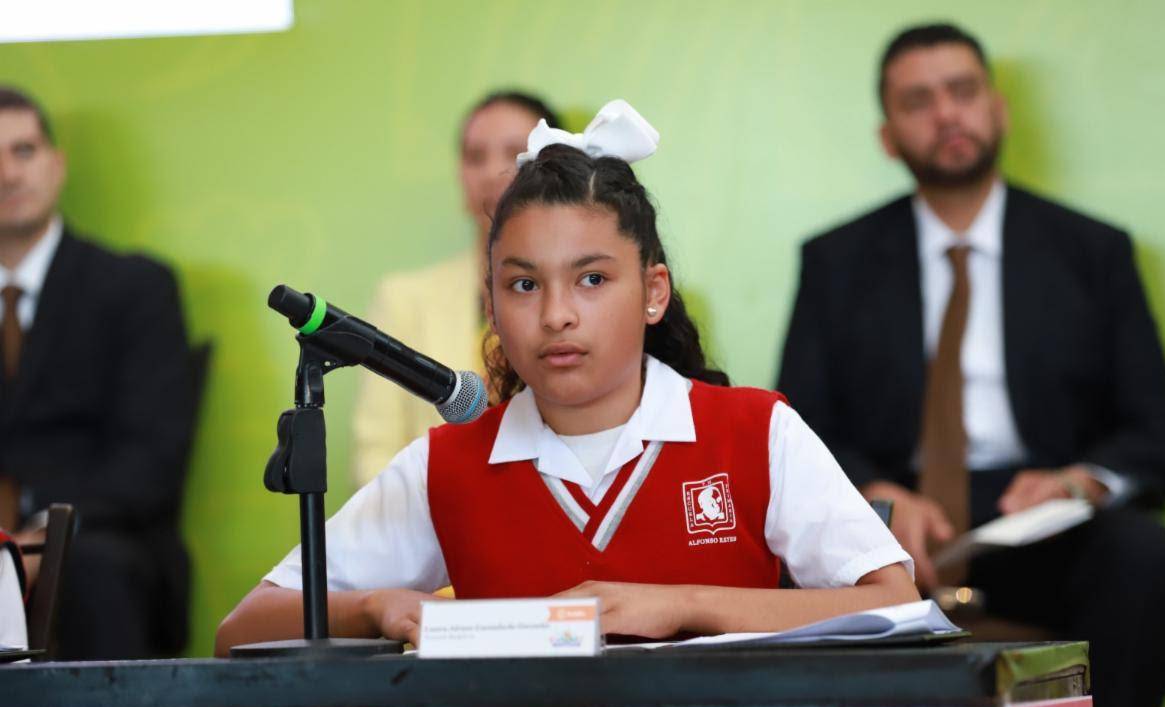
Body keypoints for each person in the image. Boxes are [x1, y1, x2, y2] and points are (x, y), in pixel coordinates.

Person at [216, 100, 917, 655]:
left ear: (654, 292)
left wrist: (681, 605)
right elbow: (241, 628)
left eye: (591, 279)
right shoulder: (447, 465)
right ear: (491, 303)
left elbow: (895, 603)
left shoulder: (755, 431)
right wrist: (376, 606)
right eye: (523, 285)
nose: (556, 315)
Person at [775, 24, 1165, 707]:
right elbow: (797, 426)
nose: (946, 113)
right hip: (894, 531)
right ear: (888, 136)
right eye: (918, 101)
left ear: (997, 109)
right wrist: (872, 498)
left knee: (1145, 561)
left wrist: (1077, 484)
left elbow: (1158, 432)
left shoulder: (1092, 251)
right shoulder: (835, 262)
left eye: (962, 91)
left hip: (1040, 524)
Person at [0, 86, 194, 659]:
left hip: (97, 536)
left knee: (93, 567)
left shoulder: (134, 289)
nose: (7, 174)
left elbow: (150, 461)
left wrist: (42, 538)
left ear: (57, 165)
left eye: (24, 150)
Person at [352, 91, 560, 486]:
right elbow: (373, 458)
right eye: (475, 157)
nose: (492, 172)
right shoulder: (404, 299)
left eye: (514, 153)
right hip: (432, 517)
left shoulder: (589, 297)